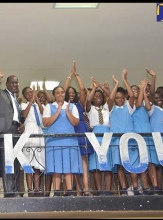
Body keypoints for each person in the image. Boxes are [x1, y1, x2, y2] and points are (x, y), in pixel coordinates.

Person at [0, 67, 25, 198]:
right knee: (8, 161)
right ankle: (9, 191)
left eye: (17, 82)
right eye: (13, 82)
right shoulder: (2, 94)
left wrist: (21, 125)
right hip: (6, 130)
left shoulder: (16, 98)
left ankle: (15, 189)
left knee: (16, 162)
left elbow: (15, 116)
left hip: (16, 130)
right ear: (7, 84)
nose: (16, 85)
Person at [42, 85, 82, 196]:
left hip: (69, 140)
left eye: (62, 92)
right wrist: (58, 112)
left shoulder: (72, 106)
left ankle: (69, 190)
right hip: (54, 141)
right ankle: (57, 191)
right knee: (56, 166)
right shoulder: (49, 107)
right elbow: (46, 123)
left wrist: (67, 112)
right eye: (58, 93)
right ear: (54, 95)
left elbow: (76, 123)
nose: (60, 94)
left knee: (69, 165)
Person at [63, 61, 93, 196]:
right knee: (73, 160)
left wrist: (76, 75)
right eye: (68, 93)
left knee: (83, 161)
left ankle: (86, 188)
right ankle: (78, 189)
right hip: (70, 130)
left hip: (80, 130)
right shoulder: (64, 105)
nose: (70, 94)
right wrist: (69, 77)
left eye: (72, 92)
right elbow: (62, 90)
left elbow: (82, 90)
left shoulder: (79, 104)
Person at [86, 77, 118, 196]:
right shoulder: (90, 109)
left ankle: (108, 190)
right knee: (97, 166)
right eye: (96, 96)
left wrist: (108, 87)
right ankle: (99, 190)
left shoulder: (106, 108)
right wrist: (95, 88)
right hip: (95, 135)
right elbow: (88, 100)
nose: (98, 98)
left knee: (107, 165)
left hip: (106, 135)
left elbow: (111, 98)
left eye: (100, 96)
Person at [109, 70, 135, 196]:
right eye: (117, 97)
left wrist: (124, 80)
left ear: (124, 98)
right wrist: (116, 84)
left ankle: (134, 187)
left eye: (121, 97)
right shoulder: (110, 108)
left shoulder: (128, 108)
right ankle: (124, 189)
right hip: (115, 141)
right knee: (119, 166)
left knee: (131, 164)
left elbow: (132, 96)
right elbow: (110, 98)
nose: (119, 99)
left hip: (128, 140)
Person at [20, 86, 45, 197]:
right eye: (28, 93)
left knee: (38, 163)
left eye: (32, 92)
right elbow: (24, 115)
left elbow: (43, 112)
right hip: (29, 131)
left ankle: (37, 188)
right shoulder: (23, 105)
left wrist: (37, 99)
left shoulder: (40, 104)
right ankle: (29, 188)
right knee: (28, 162)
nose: (31, 94)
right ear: (24, 96)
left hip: (39, 131)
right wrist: (31, 101)